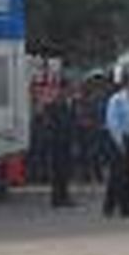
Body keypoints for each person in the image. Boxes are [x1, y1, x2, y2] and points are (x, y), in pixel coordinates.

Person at [103, 76, 129, 218]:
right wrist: (119, 143)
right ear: (126, 84)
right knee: (117, 175)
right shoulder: (116, 100)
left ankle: (127, 207)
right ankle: (110, 206)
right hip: (116, 139)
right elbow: (112, 122)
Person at [46, 79, 77, 207]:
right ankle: (57, 198)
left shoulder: (69, 104)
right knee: (57, 171)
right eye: (67, 89)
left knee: (65, 171)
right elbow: (50, 125)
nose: (69, 91)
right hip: (56, 143)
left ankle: (64, 196)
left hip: (66, 142)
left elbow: (71, 123)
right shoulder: (54, 105)